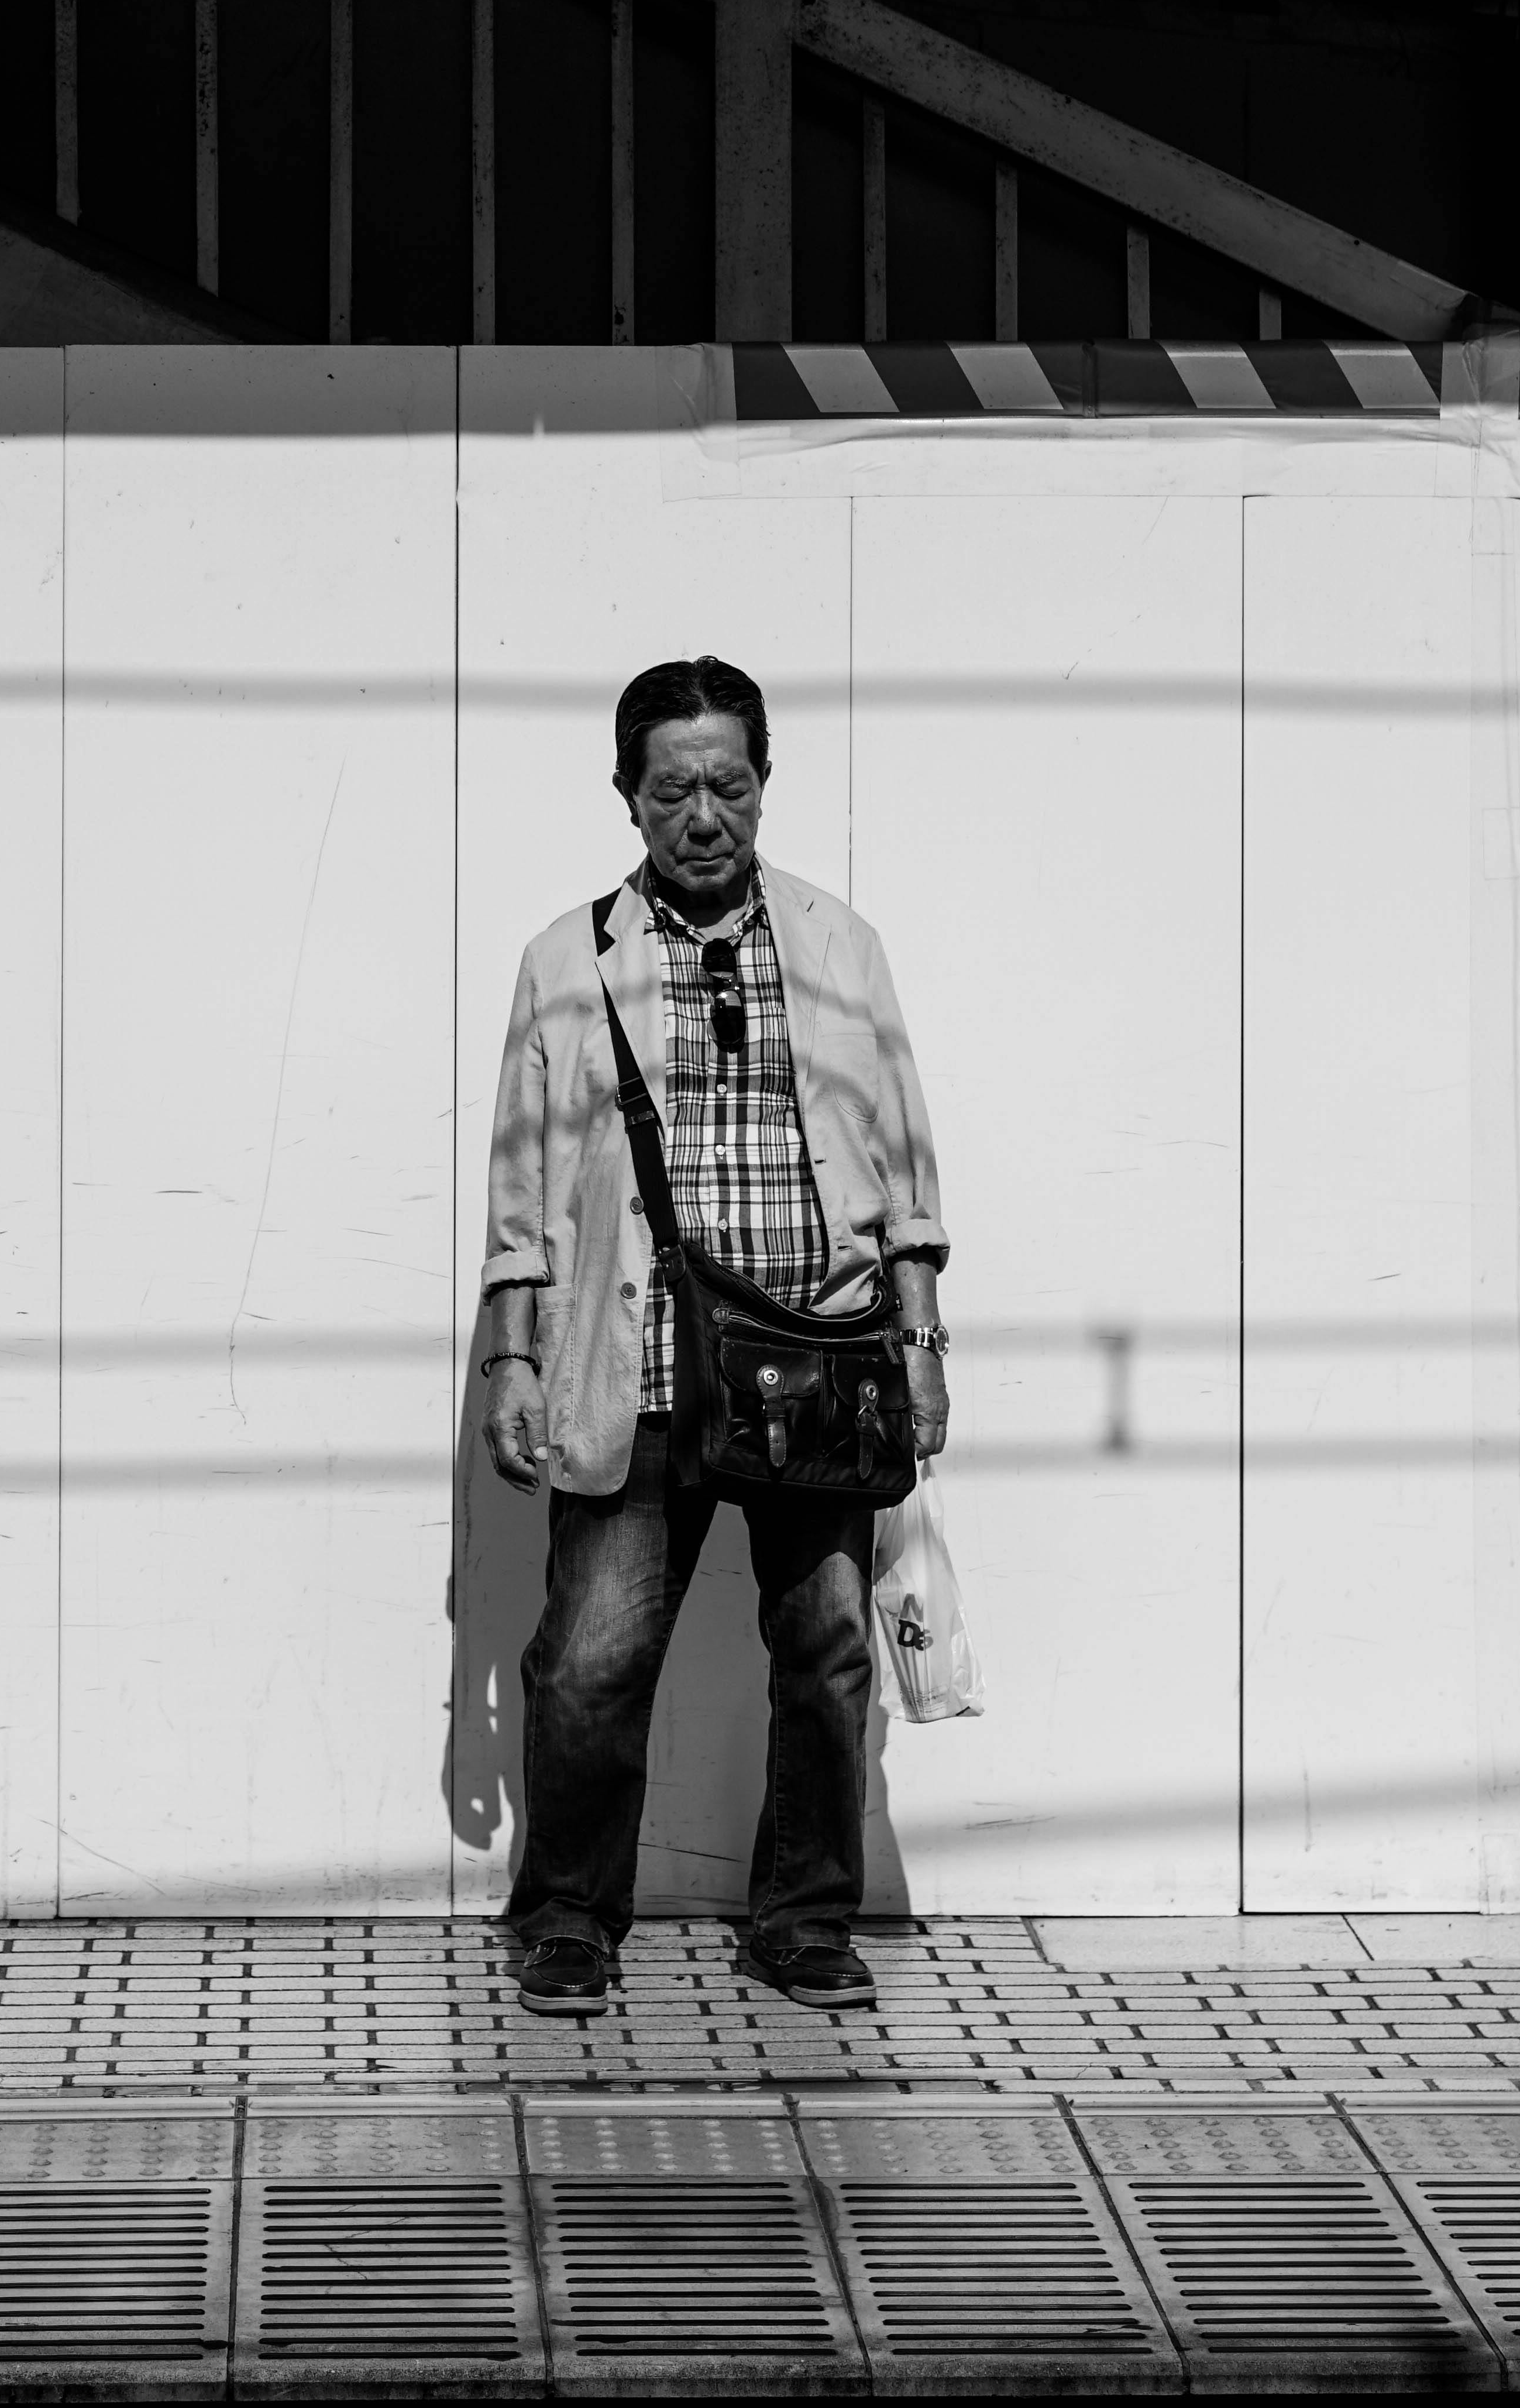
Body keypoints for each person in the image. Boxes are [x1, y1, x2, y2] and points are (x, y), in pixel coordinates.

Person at [479, 652, 950, 2017]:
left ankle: (803, 1918)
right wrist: (513, 1356)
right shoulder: (569, 960)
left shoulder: (839, 945)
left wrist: (920, 1340)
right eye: (674, 787)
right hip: (642, 1366)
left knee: (827, 1651)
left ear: (763, 783)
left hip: (820, 1356)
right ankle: (568, 1916)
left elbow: (905, 1159)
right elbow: (522, 1187)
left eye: (729, 784)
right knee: (588, 1658)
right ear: (628, 795)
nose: (705, 814)